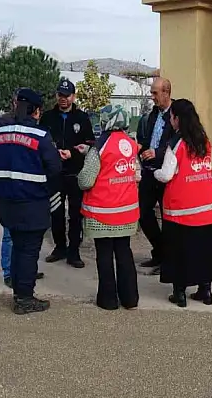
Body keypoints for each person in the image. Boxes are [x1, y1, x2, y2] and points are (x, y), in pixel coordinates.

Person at [0, 88, 62, 315]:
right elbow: (55, 168)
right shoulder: (39, 135)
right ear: (37, 111)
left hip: (6, 203)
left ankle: (18, 293)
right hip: (32, 204)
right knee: (28, 252)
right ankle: (25, 299)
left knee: (17, 248)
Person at [154, 99, 212, 308]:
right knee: (204, 252)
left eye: (172, 116)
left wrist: (153, 172)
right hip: (206, 208)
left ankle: (179, 293)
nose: (171, 120)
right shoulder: (204, 141)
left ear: (177, 119)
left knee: (179, 253)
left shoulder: (176, 143)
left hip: (181, 210)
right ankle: (205, 290)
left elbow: (166, 175)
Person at [78, 105, 141, 311]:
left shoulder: (99, 146)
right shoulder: (130, 144)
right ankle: (130, 298)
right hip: (126, 211)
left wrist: (82, 166)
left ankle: (108, 300)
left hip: (102, 212)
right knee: (124, 253)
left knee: (104, 255)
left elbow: (86, 180)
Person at [0, 89, 45, 288]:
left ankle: (24, 272)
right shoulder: (5, 122)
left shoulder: (33, 123)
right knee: (10, 235)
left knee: (25, 239)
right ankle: (9, 272)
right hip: (10, 187)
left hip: (25, 187)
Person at [40, 78, 96, 268]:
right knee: (55, 212)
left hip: (75, 174)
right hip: (54, 174)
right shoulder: (47, 117)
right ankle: (59, 247)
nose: (63, 99)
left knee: (75, 214)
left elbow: (90, 143)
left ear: (73, 96)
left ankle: (74, 251)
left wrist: (72, 152)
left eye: (66, 95)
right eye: (60, 95)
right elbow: (41, 142)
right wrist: (54, 152)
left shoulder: (82, 118)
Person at [137, 77, 175, 275]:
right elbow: (145, 137)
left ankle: (167, 259)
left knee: (168, 218)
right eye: (152, 92)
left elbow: (176, 143)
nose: (152, 97)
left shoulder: (177, 114)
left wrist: (157, 153)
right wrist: (141, 150)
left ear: (166, 92)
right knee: (143, 213)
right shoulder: (153, 114)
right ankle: (159, 252)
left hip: (167, 174)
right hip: (149, 171)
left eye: (155, 93)